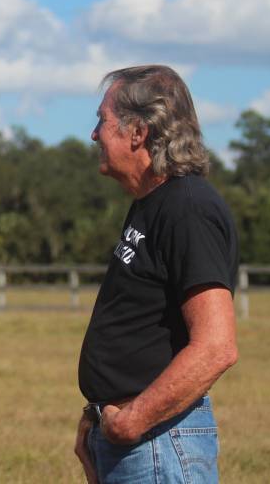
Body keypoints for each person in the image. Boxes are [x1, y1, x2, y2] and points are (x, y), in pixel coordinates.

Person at [74, 65, 239, 484]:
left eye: (102, 120)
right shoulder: (153, 203)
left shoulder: (188, 208)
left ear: (137, 133)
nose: (94, 134)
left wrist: (131, 421)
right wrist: (97, 416)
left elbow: (216, 346)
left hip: (159, 442)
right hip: (138, 438)